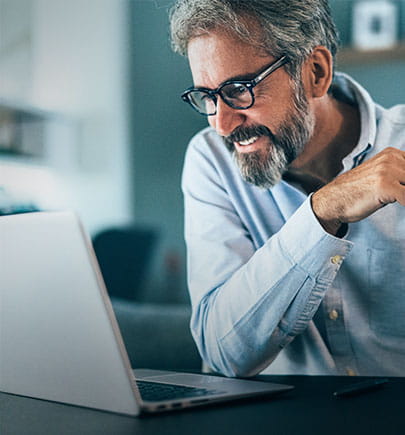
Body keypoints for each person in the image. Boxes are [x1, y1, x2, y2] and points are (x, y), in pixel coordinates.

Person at [169, 0, 405, 377]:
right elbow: (223, 354)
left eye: (239, 90)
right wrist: (322, 213)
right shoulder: (212, 160)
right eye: (209, 97)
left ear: (315, 72)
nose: (222, 125)